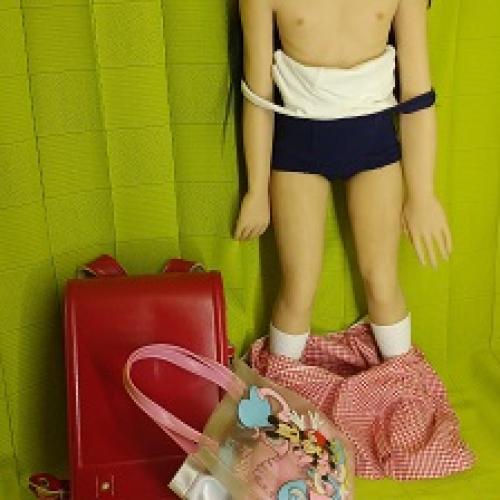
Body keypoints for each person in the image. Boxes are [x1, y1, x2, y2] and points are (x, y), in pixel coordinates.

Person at [233, 0, 452, 360]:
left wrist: (422, 195)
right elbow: (258, 96)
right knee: (298, 288)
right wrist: (256, 191)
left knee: (382, 283)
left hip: (375, 147)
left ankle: (403, 378)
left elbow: (417, 95)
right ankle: (279, 384)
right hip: (298, 150)